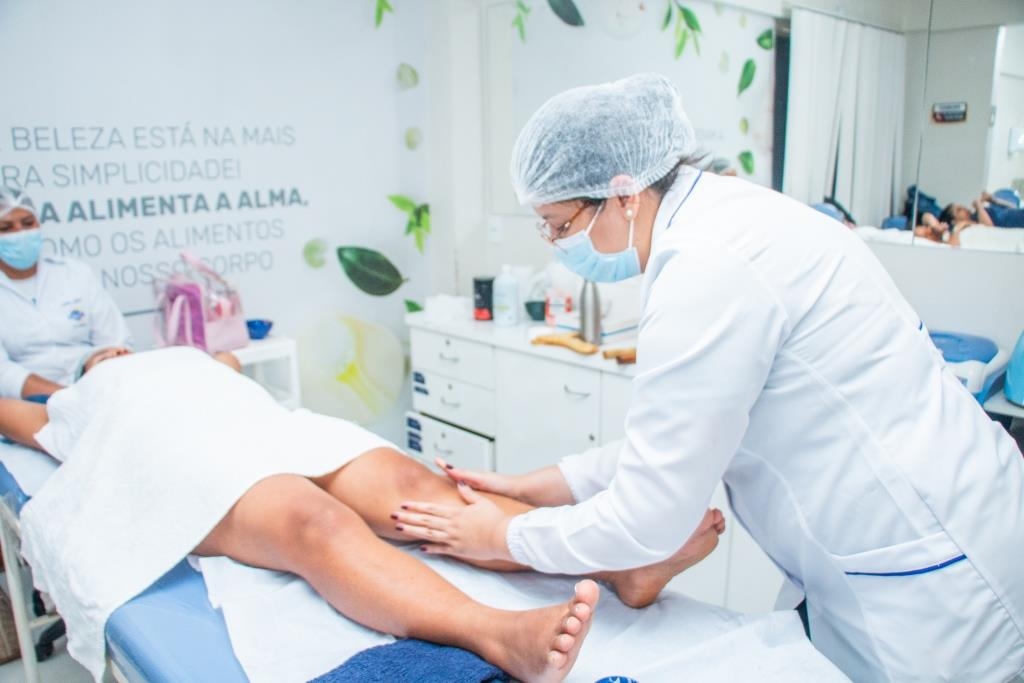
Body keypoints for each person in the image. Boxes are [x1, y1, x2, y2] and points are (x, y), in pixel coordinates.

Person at [391, 74, 1024, 681]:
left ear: (623, 192)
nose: (557, 244)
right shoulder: (728, 216)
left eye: (561, 226)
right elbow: (687, 432)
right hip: (920, 528)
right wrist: (538, 486)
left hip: (938, 577)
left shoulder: (708, 266)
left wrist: (502, 534)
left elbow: (650, 516)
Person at [0, 346, 724, 682]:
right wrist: (63, 384)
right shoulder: (73, 404)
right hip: (187, 462)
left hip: (272, 428)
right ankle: (499, 635)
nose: (115, 352)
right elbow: (10, 413)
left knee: (420, 491)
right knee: (312, 523)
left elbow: (230, 368)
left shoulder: (190, 358)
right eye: (101, 355)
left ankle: (621, 566)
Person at [0, 187, 132, 400]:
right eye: (6, 228)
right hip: (31, 402)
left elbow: (114, 340)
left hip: (96, 384)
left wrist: (98, 364)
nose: (20, 233)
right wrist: (67, 398)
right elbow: (4, 373)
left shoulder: (74, 272)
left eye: (27, 223)